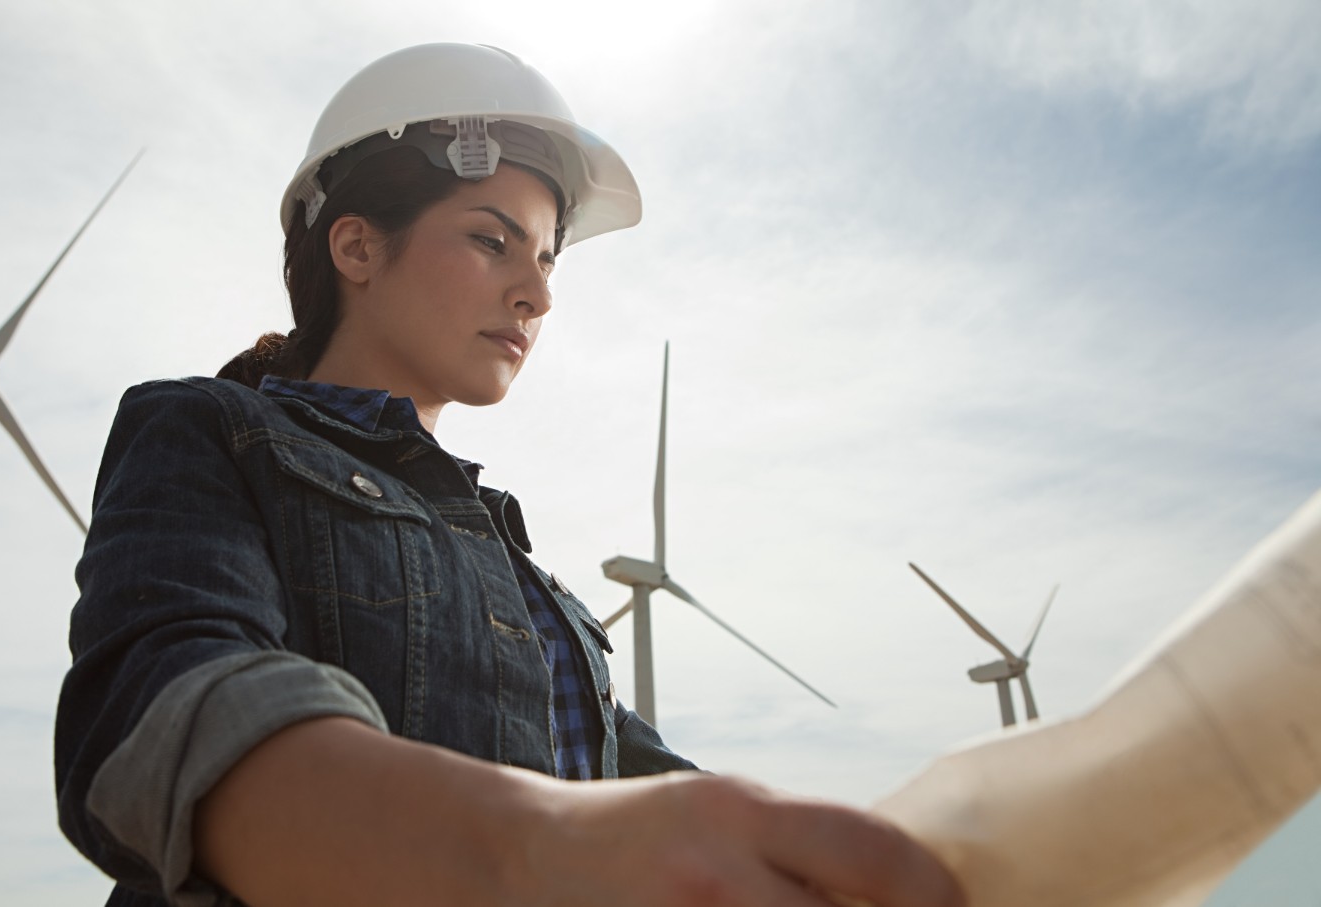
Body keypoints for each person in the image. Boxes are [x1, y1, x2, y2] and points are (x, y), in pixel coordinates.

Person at [54, 43, 966, 907]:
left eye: (546, 257)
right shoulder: (211, 429)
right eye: (492, 241)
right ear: (357, 247)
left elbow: (667, 815)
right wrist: (535, 845)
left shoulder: (543, 595)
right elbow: (158, 714)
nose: (537, 292)